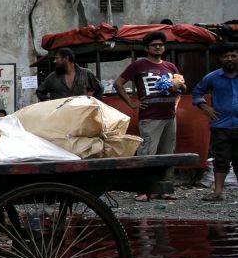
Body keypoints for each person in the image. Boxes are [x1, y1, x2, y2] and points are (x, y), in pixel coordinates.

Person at [115, 31, 182, 201]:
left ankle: (164, 190)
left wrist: (176, 98)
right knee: (147, 154)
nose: (158, 47)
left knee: (167, 154)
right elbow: (118, 83)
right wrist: (131, 103)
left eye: (160, 44)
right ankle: (142, 190)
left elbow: (182, 87)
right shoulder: (138, 65)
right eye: (154, 45)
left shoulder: (171, 67)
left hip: (169, 116)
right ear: (147, 48)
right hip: (150, 116)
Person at [192, 44, 238, 201]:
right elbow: (197, 92)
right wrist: (205, 107)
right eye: (226, 56)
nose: (230, 59)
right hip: (220, 125)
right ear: (221, 59)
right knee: (221, 160)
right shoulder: (212, 77)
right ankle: (218, 192)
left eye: (233, 55)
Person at [36, 47, 103, 101]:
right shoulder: (52, 77)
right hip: (61, 115)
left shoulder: (86, 73)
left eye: (57, 58)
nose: (54, 61)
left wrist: (93, 103)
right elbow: (39, 92)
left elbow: (100, 89)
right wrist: (49, 101)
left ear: (66, 58)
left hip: (81, 114)